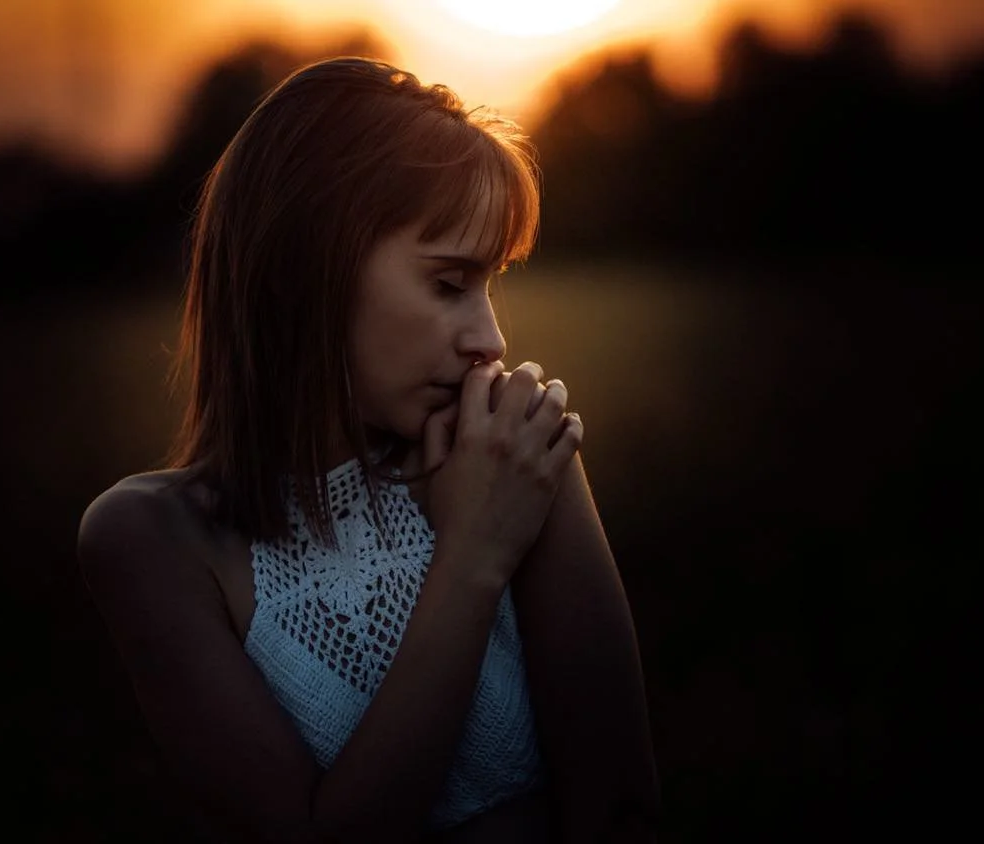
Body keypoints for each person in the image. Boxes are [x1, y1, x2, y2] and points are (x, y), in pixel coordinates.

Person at [79, 56, 659, 843]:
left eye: (491, 285)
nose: (492, 340)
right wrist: (475, 556)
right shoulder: (151, 538)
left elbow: (620, 810)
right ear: (312, 268)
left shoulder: (516, 452)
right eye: (450, 284)